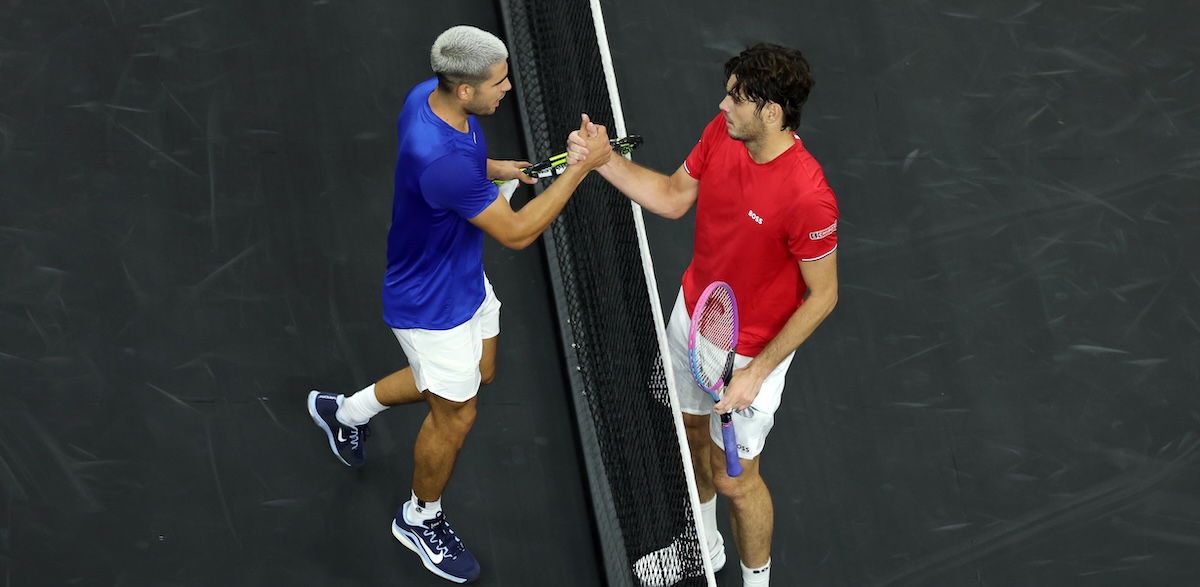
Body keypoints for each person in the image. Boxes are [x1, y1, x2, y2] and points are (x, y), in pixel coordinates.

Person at [306, 25, 612, 584]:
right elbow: (517, 234)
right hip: (430, 307)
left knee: (476, 376)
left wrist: (504, 169)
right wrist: (579, 170)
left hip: (463, 278)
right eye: (499, 83)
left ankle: (344, 411)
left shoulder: (430, 99)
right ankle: (420, 519)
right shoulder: (440, 157)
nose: (509, 89)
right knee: (458, 411)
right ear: (465, 89)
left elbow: (469, 168)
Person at [567, 43, 838, 586]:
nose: (722, 106)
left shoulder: (809, 196)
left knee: (736, 480)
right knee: (689, 433)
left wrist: (755, 374)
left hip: (751, 352)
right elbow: (670, 197)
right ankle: (703, 546)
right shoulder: (723, 135)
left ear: (771, 112)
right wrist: (603, 162)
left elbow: (824, 296)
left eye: (736, 99)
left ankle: (756, 583)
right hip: (694, 318)